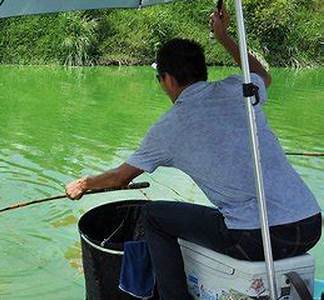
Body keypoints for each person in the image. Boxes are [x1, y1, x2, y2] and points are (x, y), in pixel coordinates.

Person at [65, 6, 321, 300]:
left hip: (256, 239)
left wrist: (84, 184)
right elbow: (262, 74)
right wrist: (223, 37)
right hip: (310, 223)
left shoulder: (168, 127)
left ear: (168, 80)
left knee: (154, 216)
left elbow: (121, 178)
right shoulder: (238, 88)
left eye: (160, 79)